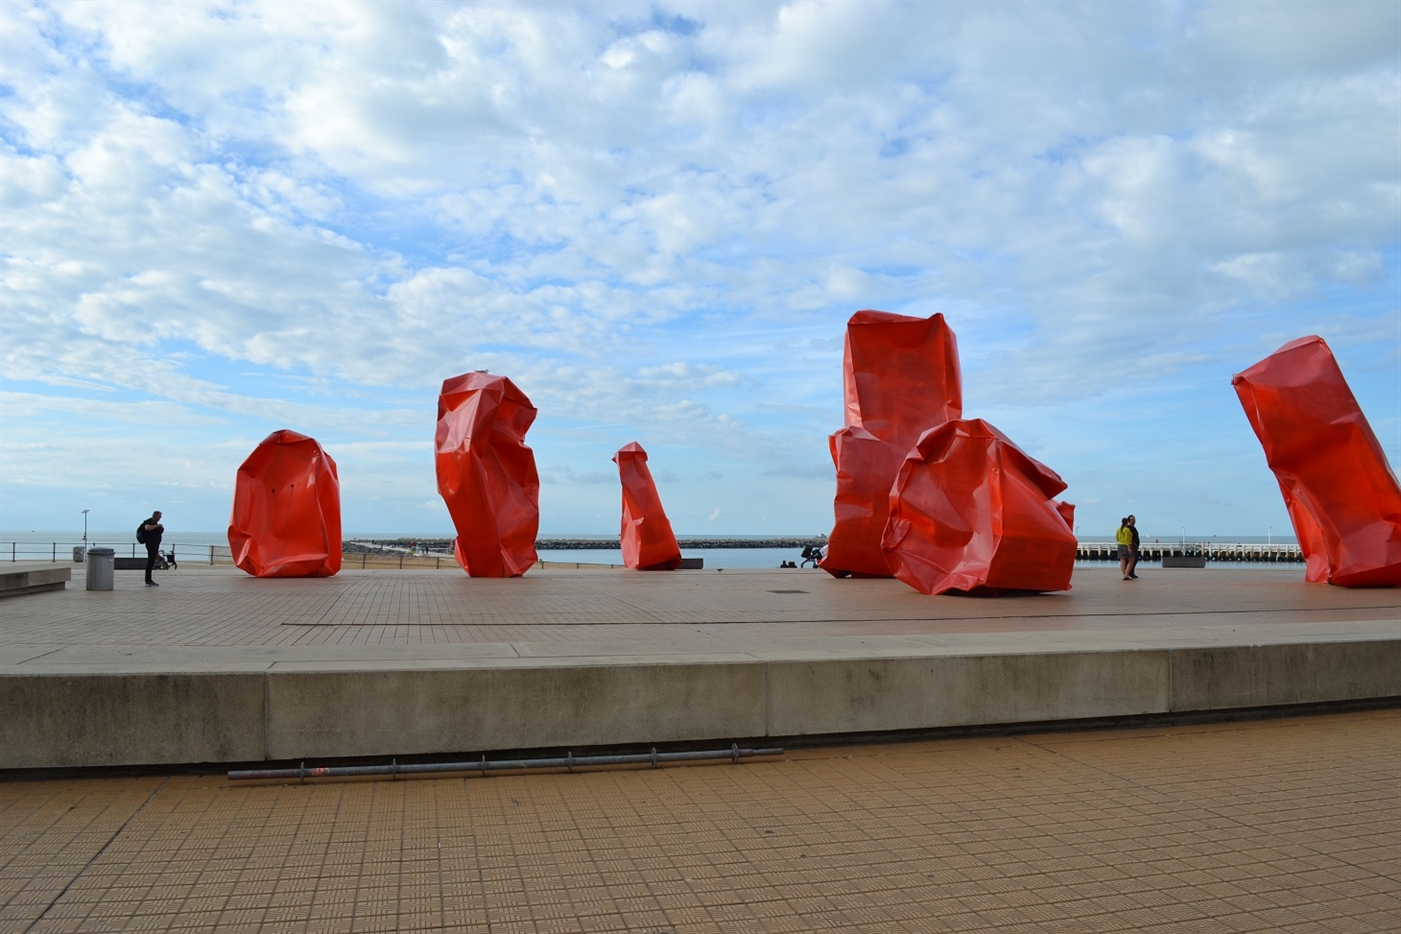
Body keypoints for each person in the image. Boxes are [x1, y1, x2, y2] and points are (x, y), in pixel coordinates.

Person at [141, 511, 165, 587]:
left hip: (155, 544)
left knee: (152, 561)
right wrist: (157, 526)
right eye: (158, 517)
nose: (159, 519)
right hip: (150, 544)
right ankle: (148, 580)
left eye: (160, 517)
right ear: (154, 516)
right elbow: (147, 528)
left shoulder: (154, 523)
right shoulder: (148, 521)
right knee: (150, 561)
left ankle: (149, 579)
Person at [1126, 515, 1141, 580]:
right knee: (1133, 560)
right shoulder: (1129, 528)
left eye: (1134, 519)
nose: (1134, 521)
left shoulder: (1133, 527)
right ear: (1129, 520)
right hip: (1132, 546)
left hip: (1135, 547)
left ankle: (1131, 572)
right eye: (1132, 519)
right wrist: (1133, 544)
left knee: (1135, 559)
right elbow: (1130, 538)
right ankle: (1129, 573)